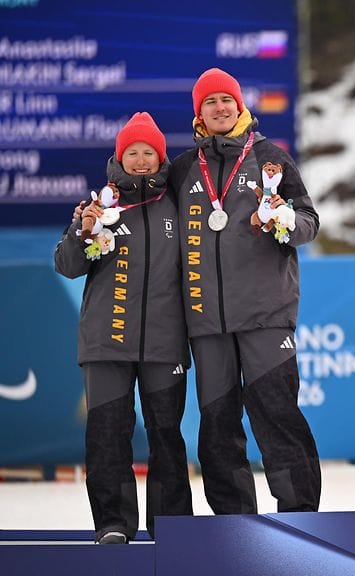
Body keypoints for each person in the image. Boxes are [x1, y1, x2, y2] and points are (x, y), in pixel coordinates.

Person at [169, 67, 321, 514]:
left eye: (226, 101)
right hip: (206, 323)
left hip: (264, 315)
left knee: (278, 419)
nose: (220, 108)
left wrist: (285, 221)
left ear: (240, 106)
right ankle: (232, 527)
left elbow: (309, 222)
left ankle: (302, 522)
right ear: (199, 112)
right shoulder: (181, 170)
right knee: (217, 428)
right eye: (210, 102)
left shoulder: (269, 156)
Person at [55, 112, 193, 543]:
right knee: (108, 436)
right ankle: (113, 524)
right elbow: (66, 265)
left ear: (160, 157)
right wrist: (83, 231)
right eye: (131, 152)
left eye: (147, 152)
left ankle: (170, 528)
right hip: (106, 342)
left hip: (164, 344)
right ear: (119, 157)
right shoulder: (99, 205)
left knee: (166, 437)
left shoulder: (176, 201)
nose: (139, 160)